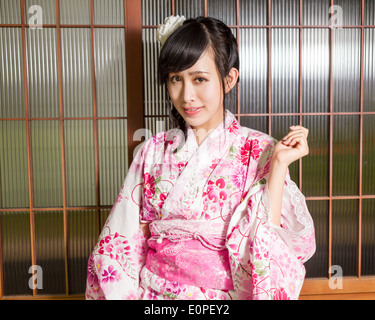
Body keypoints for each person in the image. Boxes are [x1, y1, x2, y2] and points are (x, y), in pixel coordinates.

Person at [85, 16, 315, 300]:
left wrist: (278, 166)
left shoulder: (261, 149)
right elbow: (120, 245)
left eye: (199, 79)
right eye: (175, 80)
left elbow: (269, 246)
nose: (187, 95)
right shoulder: (152, 150)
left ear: (228, 79)